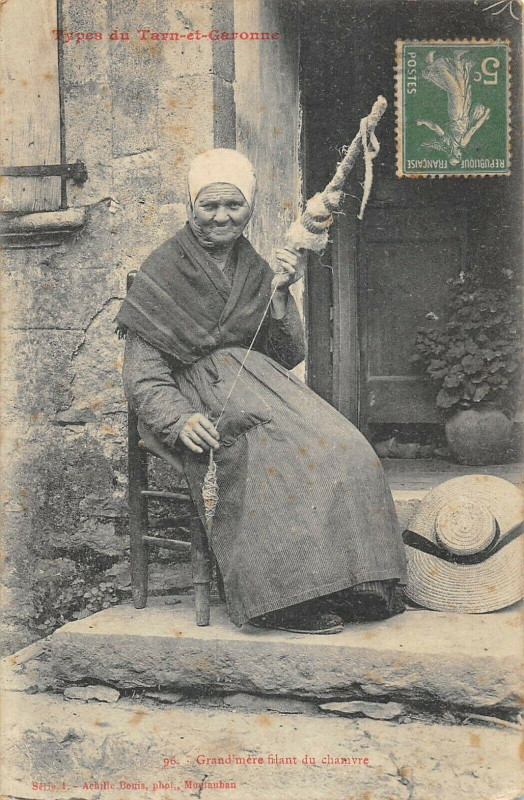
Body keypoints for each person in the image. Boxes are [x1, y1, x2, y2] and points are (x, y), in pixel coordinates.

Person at [117, 148, 407, 635]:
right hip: (196, 400)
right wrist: (179, 419)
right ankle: (280, 599)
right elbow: (143, 375)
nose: (222, 217)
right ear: (191, 206)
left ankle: (347, 583)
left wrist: (278, 296)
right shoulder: (164, 269)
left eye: (234, 206)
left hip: (261, 385)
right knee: (274, 459)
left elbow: (287, 351)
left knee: (346, 449)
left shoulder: (251, 264)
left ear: (248, 207)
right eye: (210, 206)